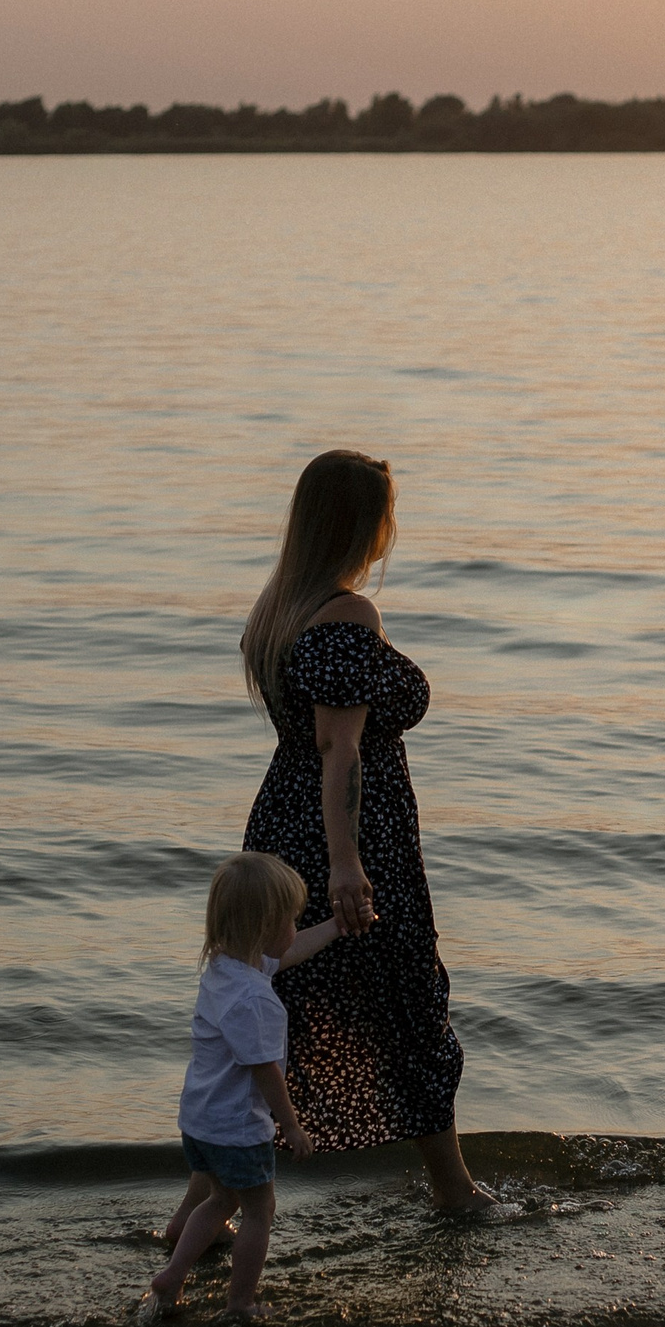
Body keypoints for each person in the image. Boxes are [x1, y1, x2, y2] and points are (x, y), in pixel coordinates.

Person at [238, 449, 505, 1213]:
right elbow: (339, 746)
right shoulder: (349, 614)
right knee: (409, 1003)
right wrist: (348, 864)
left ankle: (214, 1202)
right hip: (352, 837)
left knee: (276, 1004)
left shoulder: (282, 605)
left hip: (281, 824)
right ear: (366, 524)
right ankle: (453, 1189)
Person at [143, 851, 339, 1321]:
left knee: (220, 1199)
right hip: (235, 1127)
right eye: (292, 920)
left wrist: (336, 927)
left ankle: (173, 1275)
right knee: (260, 1211)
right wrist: (290, 1126)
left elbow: (286, 953)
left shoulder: (225, 971)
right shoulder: (255, 999)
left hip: (200, 1121)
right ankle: (240, 1303)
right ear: (265, 927)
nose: (296, 927)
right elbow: (265, 1069)